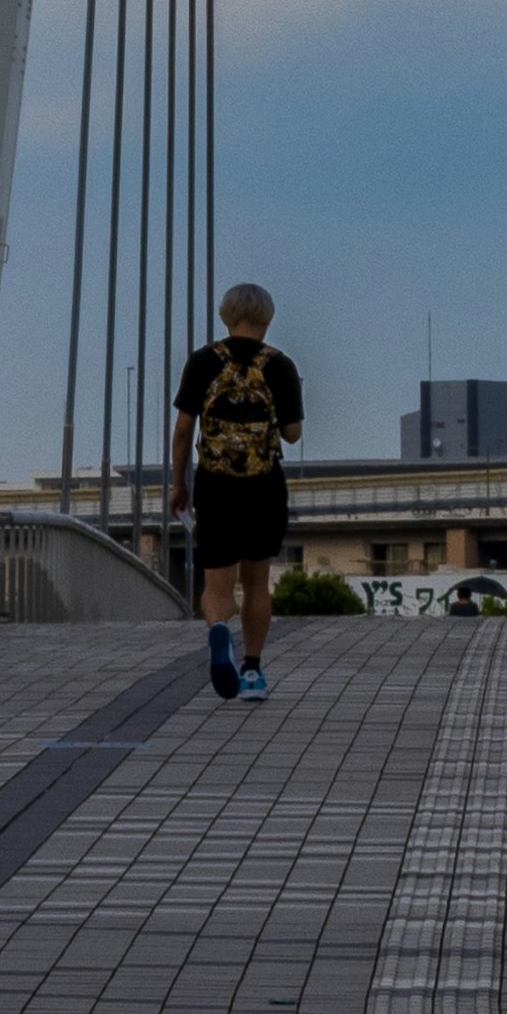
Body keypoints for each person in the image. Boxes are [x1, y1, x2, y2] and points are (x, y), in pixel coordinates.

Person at [170, 284, 302, 702]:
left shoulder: (203, 362)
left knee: (218, 584)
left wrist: (180, 484)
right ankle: (252, 672)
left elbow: (182, 431)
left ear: (225, 317)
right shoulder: (279, 366)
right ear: (268, 320)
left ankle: (217, 634)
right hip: (263, 486)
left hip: (215, 484)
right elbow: (293, 435)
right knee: (257, 581)